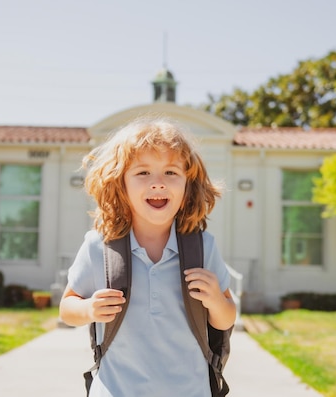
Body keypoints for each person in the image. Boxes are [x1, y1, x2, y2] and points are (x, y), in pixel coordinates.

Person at [59, 117, 236, 397]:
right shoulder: (99, 247)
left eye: (170, 173)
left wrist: (215, 300)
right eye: (142, 173)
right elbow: (67, 308)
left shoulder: (202, 247)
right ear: (121, 184)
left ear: (188, 185)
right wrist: (89, 309)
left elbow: (226, 319)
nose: (157, 183)